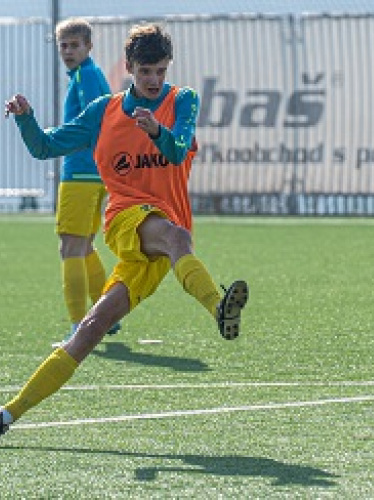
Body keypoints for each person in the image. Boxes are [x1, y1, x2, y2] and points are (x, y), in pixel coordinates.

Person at [0, 23, 248, 435]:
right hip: (127, 219)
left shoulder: (182, 100)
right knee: (176, 236)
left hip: (164, 238)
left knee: (92, 328)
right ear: (129, 67)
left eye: (160, 71)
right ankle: (219, 309)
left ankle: (8, 414)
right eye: (145, 71)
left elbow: (175, 148)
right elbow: (45, 146)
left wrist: (156, 130)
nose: (154, 80)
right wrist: (26, 119)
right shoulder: (104, 111)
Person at [53, 18, 118, 346]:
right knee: (85, 246)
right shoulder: (86, 74)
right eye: (63, 45)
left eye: (74, 45)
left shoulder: (86, 75)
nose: (67, 51)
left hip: (80, 171)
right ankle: (107, 317)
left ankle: (80, 326)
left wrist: (55, 139)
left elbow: (97, 120)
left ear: (88, 47)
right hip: (93, 173)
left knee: (69, 247)